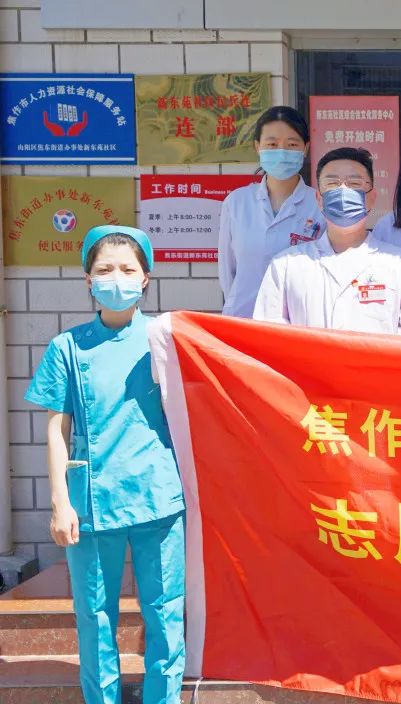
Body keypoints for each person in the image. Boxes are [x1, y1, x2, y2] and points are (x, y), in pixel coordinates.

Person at [25, 226, 185, 704]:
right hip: (93, 502)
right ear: (88, 280)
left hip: (159, 495)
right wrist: (60, 503)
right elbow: (57, 430)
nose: (117, 278)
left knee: (165, 614)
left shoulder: (166, 338)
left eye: (127, 269)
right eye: (105, 269)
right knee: (95, 618)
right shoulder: (67, 347)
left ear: (146, 278)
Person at [254, 147, 401, 335]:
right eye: (332, 183)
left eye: (354, 183)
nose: (343, 191)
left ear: (372, 198)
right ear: (319, 199)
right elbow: (268, 337)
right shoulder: (286, 265)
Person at [218, 105, 324, 318]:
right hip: (243, 318)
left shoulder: (319, 204)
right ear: (258, 147)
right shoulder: (237, 202)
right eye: (272, 144)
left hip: (298, 323)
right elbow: (227, 272)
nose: (282, 152)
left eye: (292, 144)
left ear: (305, 149)